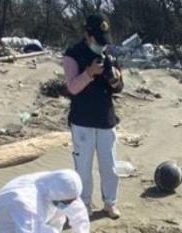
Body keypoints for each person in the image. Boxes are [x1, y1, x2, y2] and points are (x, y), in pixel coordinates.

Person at [63, 13, 124, 219]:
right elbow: (71, 88)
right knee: (83, 167)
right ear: (87, 35)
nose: (101, 45)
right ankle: (84, 205)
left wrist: (115, 80)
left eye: (104, 40)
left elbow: (119, 88)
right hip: (82, 119)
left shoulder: (110, 54)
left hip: (106, 118)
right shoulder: (73, 54)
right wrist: (89, 73)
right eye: (98, 40)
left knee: (110, 165)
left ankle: (110, 202)